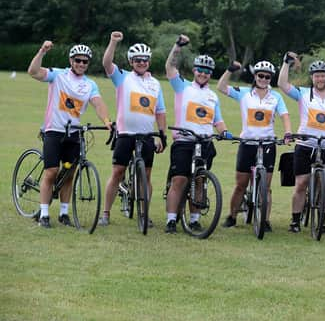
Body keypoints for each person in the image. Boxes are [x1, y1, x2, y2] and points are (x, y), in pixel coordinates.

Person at [27, 41, 112, 228]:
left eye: (85, 61)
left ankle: (64, 214)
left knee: (69, 174)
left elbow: (98, 103)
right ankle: (44, 215)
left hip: (74, 133)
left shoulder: (90, 85)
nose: (81, 64)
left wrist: (106, 121)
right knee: (51, 172)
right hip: (53, 131)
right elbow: (33, 72)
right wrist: (42, 51)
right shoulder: (58, 75)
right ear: (71, 60)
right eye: (78, 60)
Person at [164, 34, 231, 234]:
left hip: (205, 142)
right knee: (180, 180)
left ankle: (194, 219)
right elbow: (169, 67)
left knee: (200, 179)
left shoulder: (212, 96)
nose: (203, 74)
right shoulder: (182, 87)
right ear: (194, 71)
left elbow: (217, 120)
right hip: (185, 140)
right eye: (200, 70)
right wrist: (177, 46)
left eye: (207, 71)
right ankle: (171, 219)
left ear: (211, 74)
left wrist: (224, 131)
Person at [99, 31, 167, 226]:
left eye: (145, 60)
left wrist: (162, 135)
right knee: (118, 172)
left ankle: (144, 214)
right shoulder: (122, 78)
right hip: (125, 134)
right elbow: (106, 63)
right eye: (137, 60)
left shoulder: (155, 84)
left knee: (145, 176)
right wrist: (113, 41)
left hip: (146, 136)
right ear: (131, 61)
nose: (141, 62)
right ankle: (106, 213)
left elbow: (160, 112)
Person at [217, 59, 292, 231]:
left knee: (266, 186)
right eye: (260, 76)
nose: (263, 79)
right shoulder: (244, 93)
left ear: (270, 78)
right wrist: (229, 70)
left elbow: (285, 116)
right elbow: (221, 87)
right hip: (247, 144)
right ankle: (232, 216)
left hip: (267, 144)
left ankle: (265, 220)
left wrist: (288, 132)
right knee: (241, 184)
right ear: (255, 76)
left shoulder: (276, 97)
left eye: (267, 77)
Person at [278, 53, 325, 233]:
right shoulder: (303, 93)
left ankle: (322, 221)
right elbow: (282, 85)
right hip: (305, 144)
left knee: (323, 186)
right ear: (312, 78)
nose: (320, 78)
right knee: (301, 183)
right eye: (316, 75)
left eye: (323, 75)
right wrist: (286, 63)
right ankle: (295, 220)